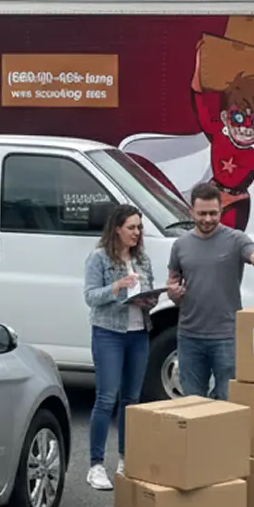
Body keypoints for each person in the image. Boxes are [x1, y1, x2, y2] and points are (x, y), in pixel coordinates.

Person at [166, 182, 254, 400]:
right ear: (191, 211)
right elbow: (173, 283)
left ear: (221, 210)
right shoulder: (180, 245)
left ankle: (223, 436)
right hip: (189, 337)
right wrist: (173, 294)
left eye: (213, 213)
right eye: (202, 213)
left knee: (227, 400)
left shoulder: (235, 239)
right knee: (192, 403)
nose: (207, 219)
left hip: (226, 337)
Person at [81, 204, 157, 491]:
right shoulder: (99, 258)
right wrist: (117, 288)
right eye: (131, 227)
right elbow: (90, 296)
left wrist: (150, 299)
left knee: (131, 399)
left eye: (139, 228)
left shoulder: (143, 260)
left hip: (139, 332)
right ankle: (95, 465)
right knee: (106, 397)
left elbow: (147, 291)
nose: (136, 233)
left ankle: (126, 458)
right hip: (109, 332)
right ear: (117, 229)